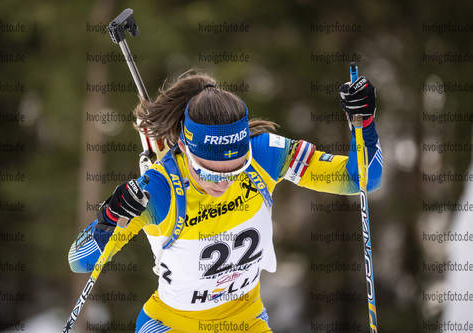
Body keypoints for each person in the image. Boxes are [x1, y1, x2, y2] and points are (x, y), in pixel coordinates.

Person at [68, 71, 382, 332]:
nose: (223, 182)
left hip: (245, 322)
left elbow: (361, 179)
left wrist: (363, 123)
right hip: (173, 325)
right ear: (185, 149)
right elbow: (80, 261)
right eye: (209, 172)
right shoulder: (160, 190)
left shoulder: (264, 153)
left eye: (236, 170)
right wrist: (110, 217)